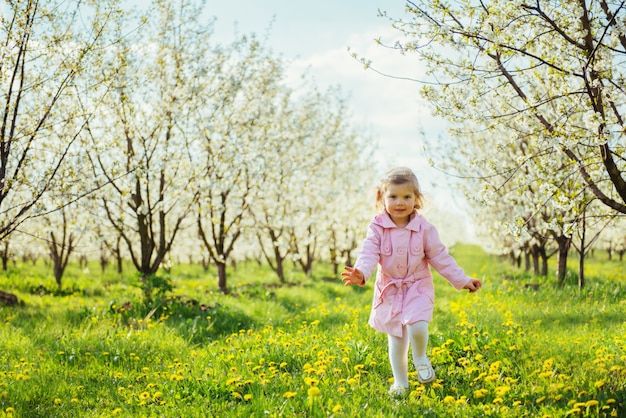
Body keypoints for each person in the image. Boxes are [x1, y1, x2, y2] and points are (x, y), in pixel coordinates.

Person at [341, 167, 482, 397]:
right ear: (382, 198)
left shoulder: (424, 228)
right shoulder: (377, 227)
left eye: (407, 197)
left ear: (416, 199)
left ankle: (420, 357)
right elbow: (368, 252)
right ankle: (400, 383)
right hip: (391, 289)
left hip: (417, 285)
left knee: (417, 325)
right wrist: (361, 272)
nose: (400, 202)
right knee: (396, 339)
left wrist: (462, 280)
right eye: (393, 196)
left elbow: (440, 257)